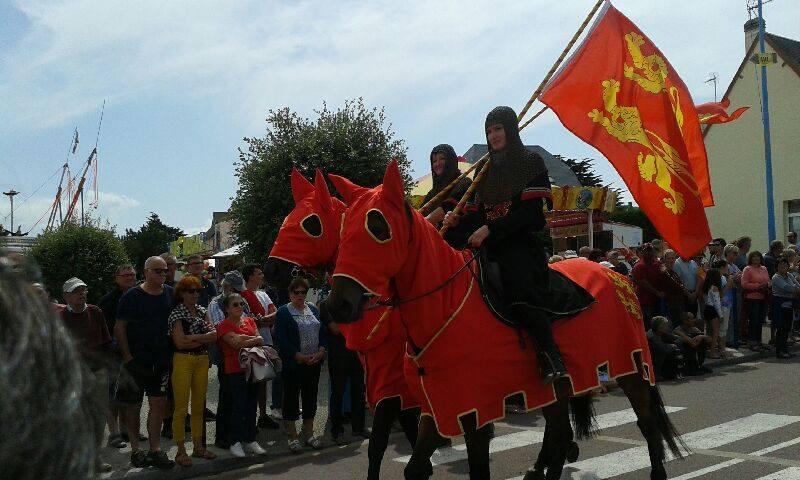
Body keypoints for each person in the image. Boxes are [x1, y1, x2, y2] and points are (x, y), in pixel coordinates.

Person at [442, 105, 593, 384]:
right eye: (489, 131)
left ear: (510, 129)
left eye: (498, 129)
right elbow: (476, 217)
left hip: (519, 245)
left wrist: (491, 228)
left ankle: (551, 357)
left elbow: (531, 216)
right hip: (488, 246)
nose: (493, 135)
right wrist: (456, 222)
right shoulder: (484, 172)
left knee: (519, 284)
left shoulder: (530, 162)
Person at [114, 256, 175, 469]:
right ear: (146, 271)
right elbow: (120, 328)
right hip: (136, 362)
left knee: (158, 404)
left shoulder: (170, 293)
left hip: (161, 360)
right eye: (158, 271)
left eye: (165, 271)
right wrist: (127, 356)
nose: (163, 274)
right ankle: (136, 450)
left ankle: (155, 449)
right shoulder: (132, 296)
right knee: (133, 407)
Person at [59, 277, 114, 473]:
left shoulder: (95, 312)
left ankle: (94, 456)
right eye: (76, 291)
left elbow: (106, 341)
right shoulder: (60, 318)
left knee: (98, 418)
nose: (81, 294)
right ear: (66, 296)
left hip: (97, 372)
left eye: (83, 290)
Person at [273, 277, 328, 452]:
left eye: (303, 292)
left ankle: (309, 434)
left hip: (313, 363)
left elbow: (323, 331)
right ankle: (293, 436)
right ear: (290, 294)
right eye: (296, 292)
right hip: (294, 364)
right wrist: (298, 356)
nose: (300, 295)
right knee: (290, 398)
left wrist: (321, 350)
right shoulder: (283, 312)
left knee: (311, 397)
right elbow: (280, 338)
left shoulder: (312, 308)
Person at [168, 276, 218, 467]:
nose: (195, 294)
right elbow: (179, 342)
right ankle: (180, 451)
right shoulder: (176, 313)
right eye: (191, 291)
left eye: (197, 291)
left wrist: (193, 337)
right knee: (181, 407)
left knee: (198, 405)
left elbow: (213, 336)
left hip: (201, 358)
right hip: (183, 359)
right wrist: (202, 338)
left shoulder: (202, 311)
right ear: (181, 294)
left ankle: (198, 447)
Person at [215, 293, 267, 458]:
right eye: (235, 305)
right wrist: (252, 338)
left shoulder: (250, 321)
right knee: (238, 405)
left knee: (252, 405)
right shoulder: (223, 325)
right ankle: (234, 441)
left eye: (241, 304)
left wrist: (245, 338)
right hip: (234, 370)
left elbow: (261, 339)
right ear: (227, 309)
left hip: (252, 368)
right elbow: (235, 343)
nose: (239, 307)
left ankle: (250, 439)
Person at [98, 264, 139, 447]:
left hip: (136, 353)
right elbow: (105, 329)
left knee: (129, 394)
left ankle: (126, 430)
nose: (130, 278)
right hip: (114, 355)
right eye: (125, 275)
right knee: (113, 395)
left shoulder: (140, 295)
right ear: (117, 278)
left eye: (132, 275)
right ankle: (114, 434)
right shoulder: (108, 301)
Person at [322, 294, 369, 444]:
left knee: (358, 392)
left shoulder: (356, 302)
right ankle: (336, 431)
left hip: (356, 353)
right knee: (338, 394)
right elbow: (335, 329)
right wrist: (355, 326)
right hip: (338, 355)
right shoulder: (326, 304)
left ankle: (359, 427)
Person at [240, 263, 280, 430]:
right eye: (259, 273)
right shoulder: (243, 295)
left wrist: (263, 319)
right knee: (250, 380)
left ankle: (262, 415)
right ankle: (249, 417)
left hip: (266, 339)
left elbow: (274, 313)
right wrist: (264, 319)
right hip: (251, 341)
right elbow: (250, 318)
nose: (262, 276)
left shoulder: (263, 294)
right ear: (250, 276)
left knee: (263, 379)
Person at [422, 144, 472, 226]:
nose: (437, 164)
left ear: (451, 160)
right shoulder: (431, 194)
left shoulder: (464, 183)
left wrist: (423, 224)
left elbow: (449, 207)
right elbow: (420, 214)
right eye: (434, 161)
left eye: (442, 159)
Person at [741, 251, 771, 351]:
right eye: (754, 257)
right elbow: (744, 284)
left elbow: (768, 280)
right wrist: (758, 286)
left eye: (758, 257)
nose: (756, 259)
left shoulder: (764, 268)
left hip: (763, 297)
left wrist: (767, 285)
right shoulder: (747, 269)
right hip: (752, 298)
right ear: (751, 258)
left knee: (760, 320)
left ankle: (759, 341)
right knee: (753, 319)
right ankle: (752, 341)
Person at [631, 243, 664, 329]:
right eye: (646, 251)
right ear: (642, 253)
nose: (649, 253)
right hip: (645, 301)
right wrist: (657, 293)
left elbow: (664, 276)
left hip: (657, 300)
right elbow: (644, 283)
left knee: (659, 324)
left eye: (651, 251)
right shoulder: (639, 266)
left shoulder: (658, 264)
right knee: (648, 324)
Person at [771, 257, 799, 359]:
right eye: (780, 264)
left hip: (789, 306)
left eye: (785, 264)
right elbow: (787, 288)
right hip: (780, 306)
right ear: (777, 267)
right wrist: (796, 290)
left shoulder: (790, 275)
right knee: (781, 328)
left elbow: (797, 286)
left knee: (787, 329)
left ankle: (785, 349)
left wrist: (796, 290)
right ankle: (780, 351)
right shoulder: (776, 277)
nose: (783, 266)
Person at [646, 316, 684, 381]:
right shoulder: (651, 336)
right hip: (652, 361)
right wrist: (671, 346)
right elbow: (663, 348)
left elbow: (679, 339)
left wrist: (673, 344)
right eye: (666, 325)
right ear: (659, 327)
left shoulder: (663, 333)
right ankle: (657, 374)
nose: (668, 327)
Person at [660, 250, 689, 328]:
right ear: (665, 259)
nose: (671, 260)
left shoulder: (673, 272)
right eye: (669, 258)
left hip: (679, 303)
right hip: (669, 304)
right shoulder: (663, 272)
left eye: (673, 258)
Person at [701, 267, 724, 359]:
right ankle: (712, 352)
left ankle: (713, 349)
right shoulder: (714, 288)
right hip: (713, 310)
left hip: (706, 308)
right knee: (715, 332)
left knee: (710, 331)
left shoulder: (705, 287)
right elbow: (717, 303)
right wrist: (721, 315)